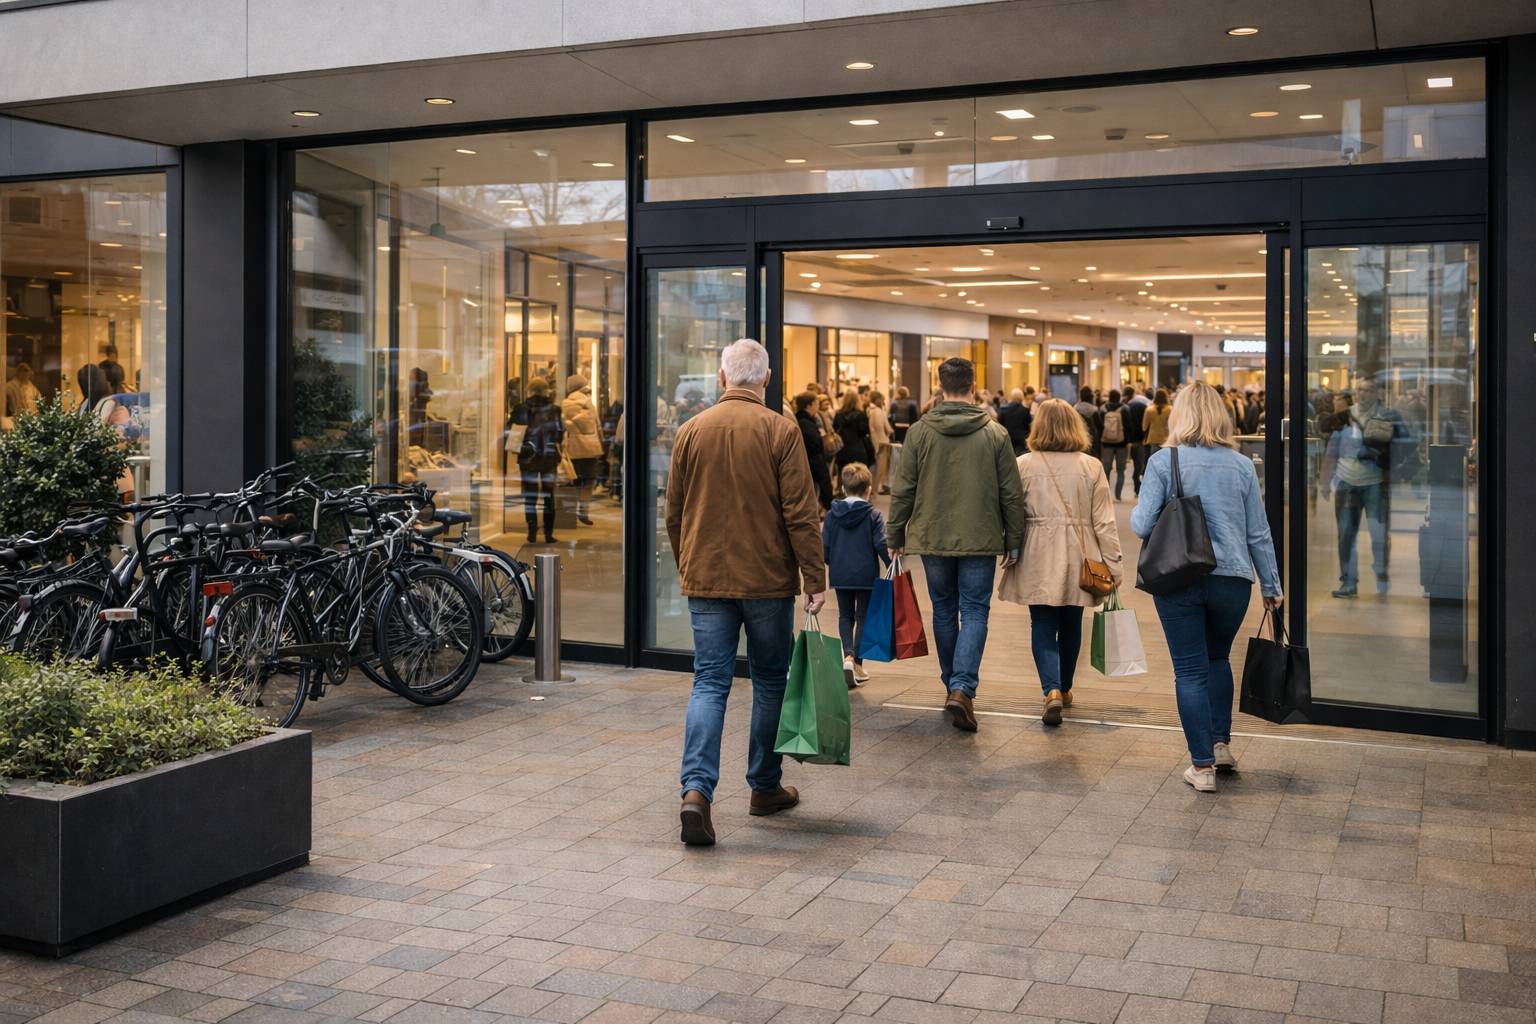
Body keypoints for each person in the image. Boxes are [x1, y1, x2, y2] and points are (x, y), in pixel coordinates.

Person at [666, 339, 825, 847]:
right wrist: (813, 578)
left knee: (709, 682)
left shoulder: (691, 431)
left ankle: (696, 792)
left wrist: (688, 561)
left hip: (707, 576)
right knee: (770, 682)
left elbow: (674, 512)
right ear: (767, 378)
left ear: (721, 378)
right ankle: (763, 786)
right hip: (767, 580)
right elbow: (801, 512)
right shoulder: (782, 431)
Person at [1131, 382, 1282, 794]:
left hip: (1179, 576)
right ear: (1221, 416)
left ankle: (1202, 767)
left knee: (1190, 668)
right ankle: (1221, 745)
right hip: (1233, 579)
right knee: (1218, 659)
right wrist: (1271, 584)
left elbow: (1142, 525)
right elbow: (1259, 532)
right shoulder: (1241, 465)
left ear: (1180, 415)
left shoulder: (1165, 462)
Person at [888, 357, 1025, 733]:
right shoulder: (995, 434)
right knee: (976, 610)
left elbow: (903, 489)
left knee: (944, 610)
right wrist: (1014, 539)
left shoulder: (918, 432)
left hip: (932, 536)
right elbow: (1011, 494)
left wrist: (894, 534)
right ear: (973, 384)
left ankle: (953, 683)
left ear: (940, 385)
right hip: (980, 537)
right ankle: (963, 687)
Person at [1000, 400, 1122, 725]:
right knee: (1071, 622)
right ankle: (1065, 688)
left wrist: (1009, 548)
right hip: (1080, 555)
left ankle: (1050, 690)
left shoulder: (1023, 464)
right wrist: (1114, 565)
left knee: (1041, 623)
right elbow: (1105, 523)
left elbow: (1010, 512)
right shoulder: (1091, 466)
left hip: (1036, 550)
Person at [1321, 378, 1407, 599]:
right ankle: (1348, 582)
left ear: (1377, 392)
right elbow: (1332, 449)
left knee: (1378, 534)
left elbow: (1406, 444)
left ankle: (1381, 574)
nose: (1363, 393)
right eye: (1360, 389)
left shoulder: (1388, 416)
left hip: (1375, 482)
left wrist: (1388, 463)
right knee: (1346, 534)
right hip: (1347, 482)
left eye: (1368, 389)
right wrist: (1325, 480)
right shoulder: (1345, 416)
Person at [824, 462, 890, 689]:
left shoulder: (832, 515)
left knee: (845, 616)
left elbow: (825, 544)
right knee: (862, 616)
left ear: (843, 489)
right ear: (868, 489)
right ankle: (858, 664)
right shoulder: (873, 515)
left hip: (840, 572)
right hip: (865, 574)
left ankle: (847, 656)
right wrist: (891, 564)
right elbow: (881, 543)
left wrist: (829, 560)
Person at [516, 378, 563, 543]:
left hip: (527, 456)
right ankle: (549, 534)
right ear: (546, 391)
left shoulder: (520, 408)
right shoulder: (555, 409)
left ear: (529, 390)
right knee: (549, 496)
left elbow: (512, 432)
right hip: (548, 457)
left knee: (530, 496)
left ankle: (532, 532)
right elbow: (559, 433)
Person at [561, 374, 604, 526]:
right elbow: (596, 426)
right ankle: (584, 512)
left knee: (573, 481)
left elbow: (564, 426)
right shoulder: (588, 403)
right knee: (588, 482)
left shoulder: (565, 403)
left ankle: (569, 514)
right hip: (590, 448)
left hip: (572, 448)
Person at [794, 392, 833, 510]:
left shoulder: (806, 420)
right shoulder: (806, 423)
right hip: (814, 461)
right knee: (818, 490)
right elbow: (814, 442)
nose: (818, 406)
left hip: (813, 460)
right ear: (809, 405)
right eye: (816, 403)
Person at [1095, 389, 1130, 500]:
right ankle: (1118, 495)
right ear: (1119, 397)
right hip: (1121, 443)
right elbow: (1129, 426)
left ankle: (1106, 495)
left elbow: (1100, 427)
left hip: (1106, 443)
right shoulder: (1125, 409)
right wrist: (1127, 441)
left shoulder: (1103, 409)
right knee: (1120, 470)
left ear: (1109, 397)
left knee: (1106, 470)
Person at [833, 390, 874, 474]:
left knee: (844, 477)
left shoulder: (838, 414)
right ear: (857, 401)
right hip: (858, 449)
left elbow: (835, 429)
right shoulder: (861, 415)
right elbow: (864, 432)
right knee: (859, 476)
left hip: (842, 450)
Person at [887, 385, 919, 484]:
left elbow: (890, 417)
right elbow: (914, 419)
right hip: (908, 429)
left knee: (896, 453)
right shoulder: (912, 404)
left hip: (896, 430)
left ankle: (896, 473)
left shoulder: (894, 403)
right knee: (908, 452)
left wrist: (891, 430)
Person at [1123, 385, 1149, 496]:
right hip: (1142, 440)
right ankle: (1139, 488)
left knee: (1136, 465)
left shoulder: (1126, 406)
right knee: (1140, 464)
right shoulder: (1143, 405)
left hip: (1130, 440)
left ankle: (1137, 488)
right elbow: (1146, 424)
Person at [867, 390, 893, 495]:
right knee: (880, 467)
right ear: (877, 399)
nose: (883, 401)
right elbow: (881, 428)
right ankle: (877, 487)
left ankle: (874, 487)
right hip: (881, 441)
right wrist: (890, 431)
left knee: (875, 466)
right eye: (882, 399)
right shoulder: (878, 411)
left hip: (874, 441)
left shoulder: (869, 410)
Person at [998, 388, 1032, 457]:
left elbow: (999, 426)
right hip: (1020, 441)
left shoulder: (1003, 410)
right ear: (1022, 397)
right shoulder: (1025, 411)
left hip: (1006, 440)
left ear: (1011, 397)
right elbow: (1028, 427)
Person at [1074, 386, 1101, 457]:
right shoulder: (1094, 409)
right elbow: (1099, 425)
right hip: (1092, 437)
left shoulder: (1075, 408)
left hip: (1078, 434)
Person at [1144, 388, 1172, 454]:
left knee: (1154, 458)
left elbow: (1144, 426)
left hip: (1153, 438)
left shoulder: (1149, 410)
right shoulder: (1170, 409)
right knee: (1166, 459)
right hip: (1166, 437)